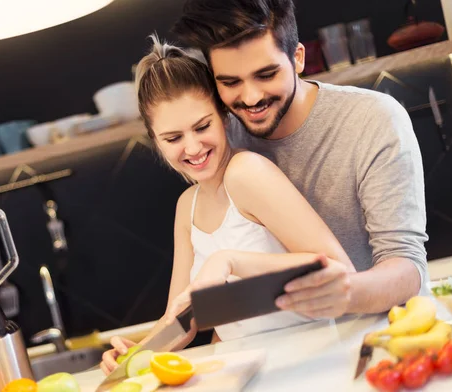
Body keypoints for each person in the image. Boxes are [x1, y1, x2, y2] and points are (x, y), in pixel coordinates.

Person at [100, 34, 355, 375]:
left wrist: (228, 261)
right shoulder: (186, 207)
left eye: (202, 126)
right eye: (173, 138)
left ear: (222, 115)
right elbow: (181, 320)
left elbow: (337, 270)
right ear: (156, 142)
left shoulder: (246, 173)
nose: (192, 148)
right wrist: (134, 357)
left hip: (311, 366)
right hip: (245, 375)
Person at [169, 0, 428, 315]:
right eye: (231, 82)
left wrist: (347, 292)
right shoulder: (223, 137)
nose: (251, 97)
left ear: (298, 58)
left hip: (388, 332)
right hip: (293, 346)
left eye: (266, 75)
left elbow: (407, 266)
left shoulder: (372, 118)